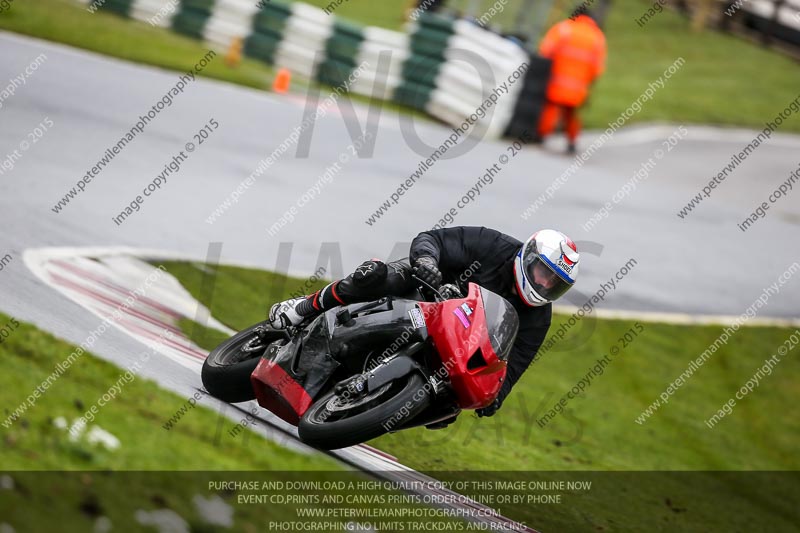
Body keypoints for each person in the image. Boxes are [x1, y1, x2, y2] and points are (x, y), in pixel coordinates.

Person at [269, 227, 580, 417]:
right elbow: (433, 239)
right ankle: (305, 307)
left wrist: (495, 396)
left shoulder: (538, 317)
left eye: (555, 284)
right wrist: (428, 263)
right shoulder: (493, 245)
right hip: (423, 291)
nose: (545, 285)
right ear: (528, 257)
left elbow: (516, 363)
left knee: (449, 409)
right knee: (377, 277)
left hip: (455, 343)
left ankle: (370, 409)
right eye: (544, 273)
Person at [537, 8, 607, 154]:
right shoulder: (597, 37)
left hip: (556, 81)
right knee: (571, 113)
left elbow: (546, 51)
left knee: (550, 108)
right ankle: (572, 141)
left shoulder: (563, 29)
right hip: (578, 87)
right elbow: (597, 68)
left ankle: (542, 135)